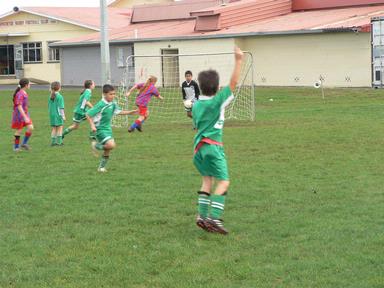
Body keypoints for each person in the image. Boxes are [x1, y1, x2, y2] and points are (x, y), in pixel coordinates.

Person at [192, 47, 244, 235]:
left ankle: (202, 217)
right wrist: (238, 60)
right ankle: (214, 219)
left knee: (207, 180)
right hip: (213, 148)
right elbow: (234, 83)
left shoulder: (197, 104)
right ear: (216, 87)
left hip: (198, 150)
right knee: (224, 182)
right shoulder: (216, 102)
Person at [86, 84, 136, 172]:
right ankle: (96, 146)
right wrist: (92, 125)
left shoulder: (113, 103)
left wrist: (130, 112)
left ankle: (101, 167)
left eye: (114, 94)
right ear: (104, 94)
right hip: (100, 129)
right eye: (110, 94)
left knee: (108, 149)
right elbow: (88, 114)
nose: (113, 96)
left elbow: (119, 111)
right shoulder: (101, 104)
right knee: (111, 145)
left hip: (108, 128)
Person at [11, 78, 33, 151]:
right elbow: (19, 105)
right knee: (19, 130)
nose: (30, 85)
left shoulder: (24, 92)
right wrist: (24, 116)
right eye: (29, 84)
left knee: (30, 127)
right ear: (26, 85)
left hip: (25, 114)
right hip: (19, 115)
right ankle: (16, 147)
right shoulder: (20, 93)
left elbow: (22, 103)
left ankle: (24, 143)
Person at [48, 81, 66, 146]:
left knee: (54, 128)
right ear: (59, 88)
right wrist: (63, 116)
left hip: (52, 115)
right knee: (60, 128)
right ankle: (59, 142)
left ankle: (53, 142)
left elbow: (49, 106)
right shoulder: (60, 97)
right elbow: (61, 108)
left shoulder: (50, 96)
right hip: (58, 115)